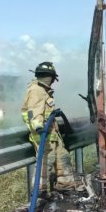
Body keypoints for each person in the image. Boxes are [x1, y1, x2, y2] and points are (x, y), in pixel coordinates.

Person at [20, 61, 83, 193]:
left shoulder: (43, 91)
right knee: (46, 161)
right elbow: (34, 111)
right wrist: (38, 127)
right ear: (51, 77)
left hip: (52, 134)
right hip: (43, 134)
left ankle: (65, 185)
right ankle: (40, 190)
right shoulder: (36, 91)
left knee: (63, 156)